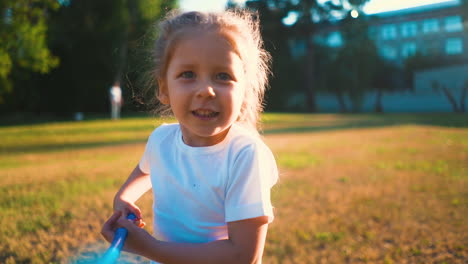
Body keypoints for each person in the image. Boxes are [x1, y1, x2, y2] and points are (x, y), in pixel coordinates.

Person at [101, 10, 278, 264]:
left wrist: (150, 248)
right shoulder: (161, 140)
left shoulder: (245, 155)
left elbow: (242, 255)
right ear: (164, 88)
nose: (206, 90)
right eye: (188, 74)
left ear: (244, 92)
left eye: (223, 76)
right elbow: (145, 172)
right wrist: (124, 198)